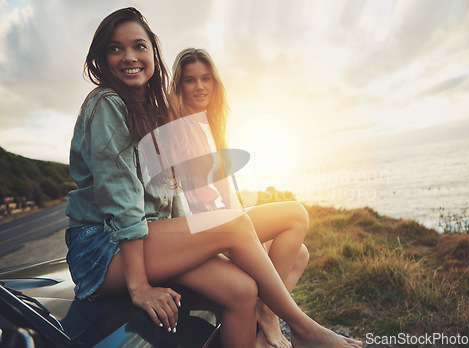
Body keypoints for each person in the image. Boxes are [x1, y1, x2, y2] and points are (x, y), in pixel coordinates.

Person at [65, 7, 362, 348]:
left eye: (139, 46)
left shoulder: (150, 112)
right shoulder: (107, 103)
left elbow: (170, 197)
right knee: (232, 224)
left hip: (146, 239)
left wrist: (197, 245)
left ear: (153, 52)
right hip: (102, 248)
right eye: (115, 48)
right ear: (102, 58)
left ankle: (264, 323)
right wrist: (140, 287)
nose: (129, 56)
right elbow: (122, 198)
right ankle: (304, 329)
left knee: (243, 288)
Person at [170, 47, 310, 348]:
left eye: (206, 78)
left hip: (220, 222)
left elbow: (224, 195)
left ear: (215, 82)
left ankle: (262, 328)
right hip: (194, 232)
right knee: (296, 214)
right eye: (190, 80)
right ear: (179, 85)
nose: (199, 87)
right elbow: (178, 199)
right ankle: (269, 315)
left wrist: (249, 234)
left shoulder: (212, 125)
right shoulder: (174, 127)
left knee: (299, 254)